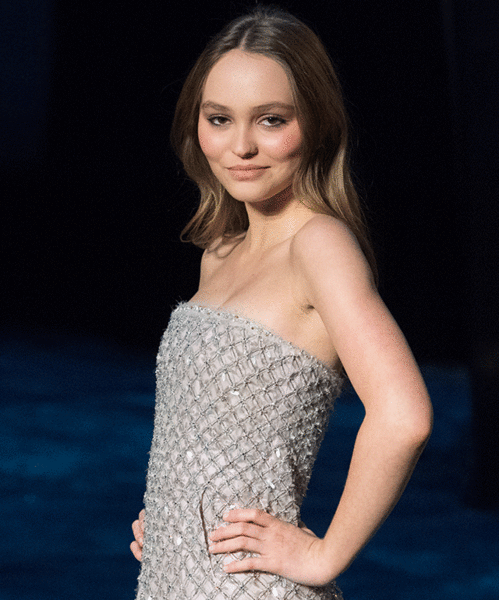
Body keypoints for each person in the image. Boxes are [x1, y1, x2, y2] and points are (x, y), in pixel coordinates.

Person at [130, 6, 433, 599]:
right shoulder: (218, 252)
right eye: (219, 119)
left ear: (315, 124)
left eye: (271, 120)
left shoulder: (319, 245)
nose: (241, 146)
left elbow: (404, 417)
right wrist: (173, 514)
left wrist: (324, 556)